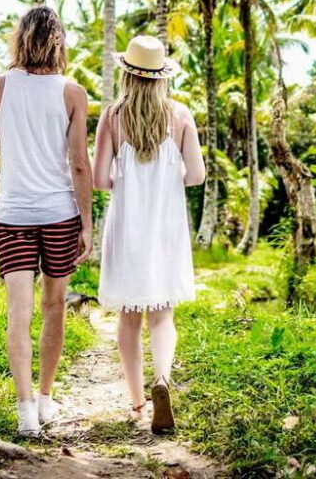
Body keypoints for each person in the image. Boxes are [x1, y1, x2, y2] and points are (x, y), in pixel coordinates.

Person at [0, 6, 93, 437]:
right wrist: (86, 222)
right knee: (53, 310)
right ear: (58, 42)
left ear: (20, 40)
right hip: (59, 214)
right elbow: (79, 165)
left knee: (17, 314)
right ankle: (45, 400)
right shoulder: (72, 92)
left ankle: (25, 409)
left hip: (12, 215)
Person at [92, 35, 205, 434]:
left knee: (128, 316)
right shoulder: (180, 115)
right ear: (161, 77)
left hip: (128, 227)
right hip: (166, 227)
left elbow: (100, 180)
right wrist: (166, 171)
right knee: (162, 314)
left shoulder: (113, 117)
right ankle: (162, 380)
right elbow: (196, 175)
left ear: (127, 75)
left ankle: (138, 403)